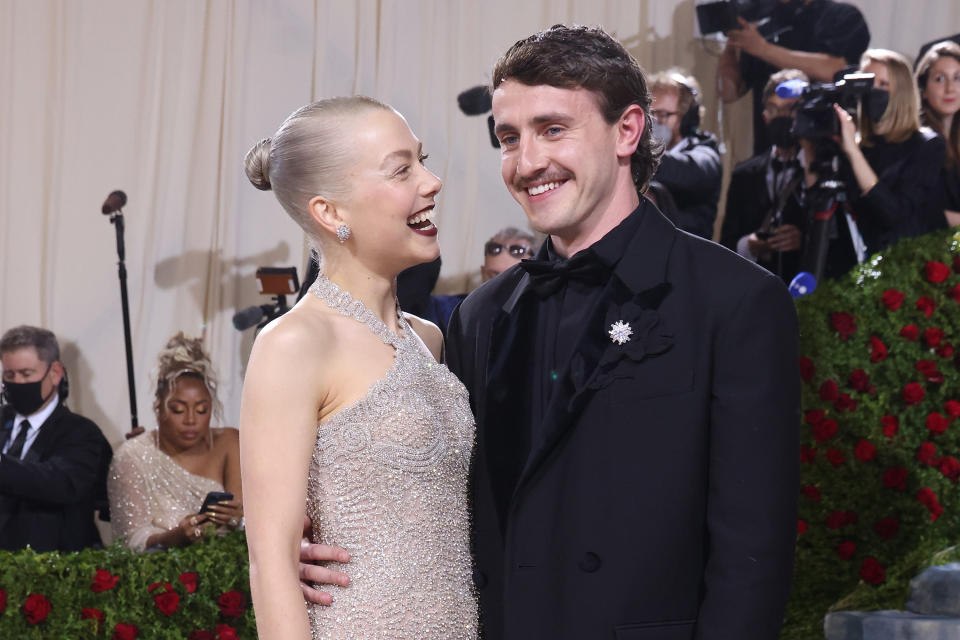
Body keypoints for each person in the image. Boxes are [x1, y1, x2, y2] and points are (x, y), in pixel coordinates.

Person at [301, 25, 801, 639]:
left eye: (553, 129)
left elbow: (753, 554)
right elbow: (448, 490)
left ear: (628, 130)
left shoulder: (736, 302)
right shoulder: (483, 316)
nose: (526, 162)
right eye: (509, 138)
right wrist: (323, 538)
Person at [240, 97, 477, 639]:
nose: (432, 181)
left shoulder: (430, 339)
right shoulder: (294, 343)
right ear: (331, 212)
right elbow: (271, 567)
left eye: (422, 160)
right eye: (402, 169)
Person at [107, 333, 242, 550]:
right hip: (163, 577)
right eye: (178, 410)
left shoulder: (229, 443)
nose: (191, 420)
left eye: (201, 410)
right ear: (158, 408)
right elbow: (130, 541)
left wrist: (238, 518)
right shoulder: (131, 455)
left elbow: (250, 520)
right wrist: (176, 537)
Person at [0, 325, 112, 552]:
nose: (18, 383)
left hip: (53, 571)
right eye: (9, 375)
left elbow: (60, 483)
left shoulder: (82, 433)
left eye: (26, 374)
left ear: (55, 373)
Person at [829, 48, 947, 258]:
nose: (874, 92)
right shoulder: (856, 144)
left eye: (883, 84)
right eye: (868, 84)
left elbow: (893, 214)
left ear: (901, 92)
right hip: (850, 263)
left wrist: (853, 154)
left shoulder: (927, 145)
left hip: (898, 265)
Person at [717, 0, 870, 154]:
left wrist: (763, 49)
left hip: (825, 147)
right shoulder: (766, 20)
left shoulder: (843, 16)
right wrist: (732, 42)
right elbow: (729, 92)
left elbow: (835, 71)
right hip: (771, 150)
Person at [721, 68, 810, 282]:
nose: (782, 118)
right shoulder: (744, 173)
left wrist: (803, 240)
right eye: (774, 109)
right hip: (757, 288)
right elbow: (726, 243)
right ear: (764, 116)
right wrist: (749, 245)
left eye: (790, 109)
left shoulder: (822, 168)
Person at [649, 70, 722, 239]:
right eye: (649, 113)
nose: (653, 122)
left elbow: (689, 173)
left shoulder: (705, 151)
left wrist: (642, 153)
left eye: (662, 114)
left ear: (687, 118)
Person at [916, 40, 960, 226]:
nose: (950, 88)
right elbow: (921, 212)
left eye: (958, 78)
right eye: (939, 79)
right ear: (923, 90)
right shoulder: (916, 141)